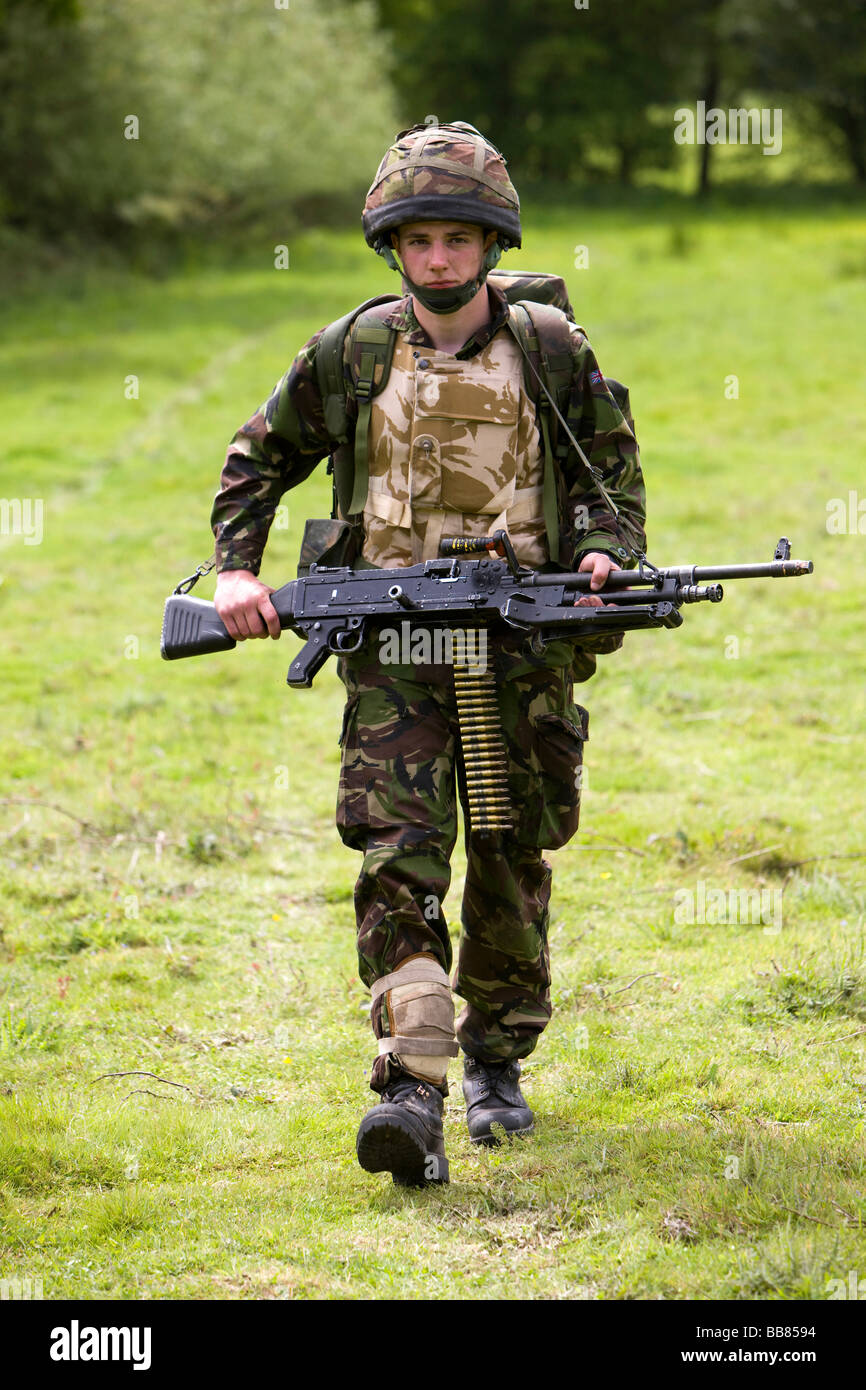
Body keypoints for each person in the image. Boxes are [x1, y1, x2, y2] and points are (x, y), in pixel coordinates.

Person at [210, 121, 646, 1187]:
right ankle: (412, 1084)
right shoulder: (352, 351)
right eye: (419, 241)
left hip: (518, 655)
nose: (440, 259)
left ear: (490, 243)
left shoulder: (549, 348)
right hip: (394, 654)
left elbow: (612, 485)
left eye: (459, 238)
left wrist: (599, 557)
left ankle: (495, 1059)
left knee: (507, 855)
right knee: (396, 859)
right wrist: (234, 572)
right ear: (392, 248)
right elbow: (256, 460)